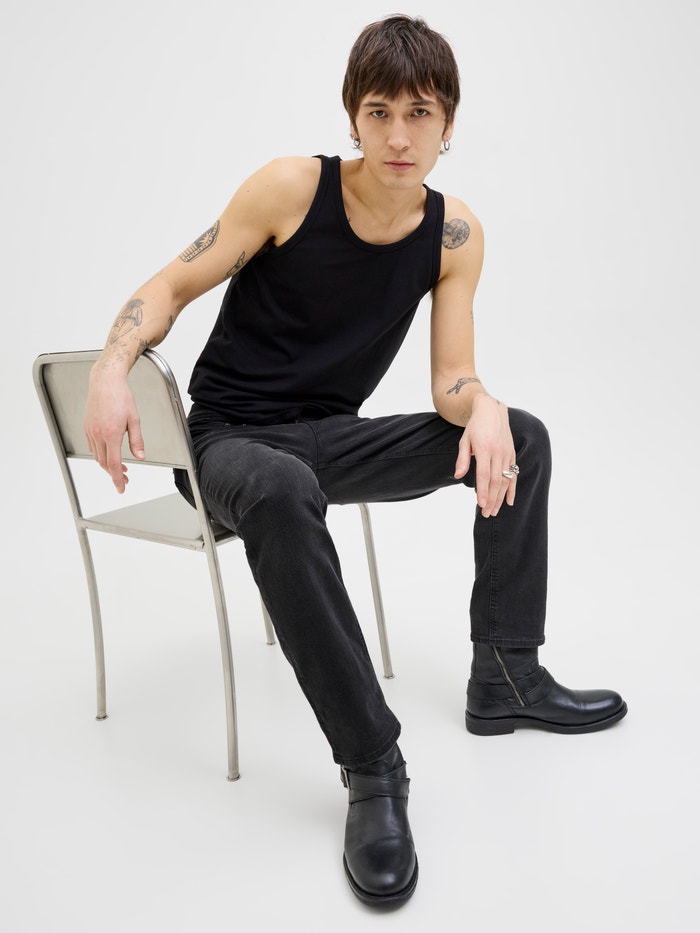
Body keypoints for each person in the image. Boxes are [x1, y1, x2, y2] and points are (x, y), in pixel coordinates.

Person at [84, 15, 627, 908]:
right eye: (380, 113)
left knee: (520, 436)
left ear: (449, 125)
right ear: (354, 120)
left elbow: (450, 382)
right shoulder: (291, 188)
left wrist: (485, 405)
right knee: (281, 483)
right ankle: (373, 764)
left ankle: (507, 673)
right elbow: (171, 283)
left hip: (329, 439)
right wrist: (113, 365)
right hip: (226, 443)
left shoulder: (454, 234)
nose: (400, 136)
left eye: (420, 114)